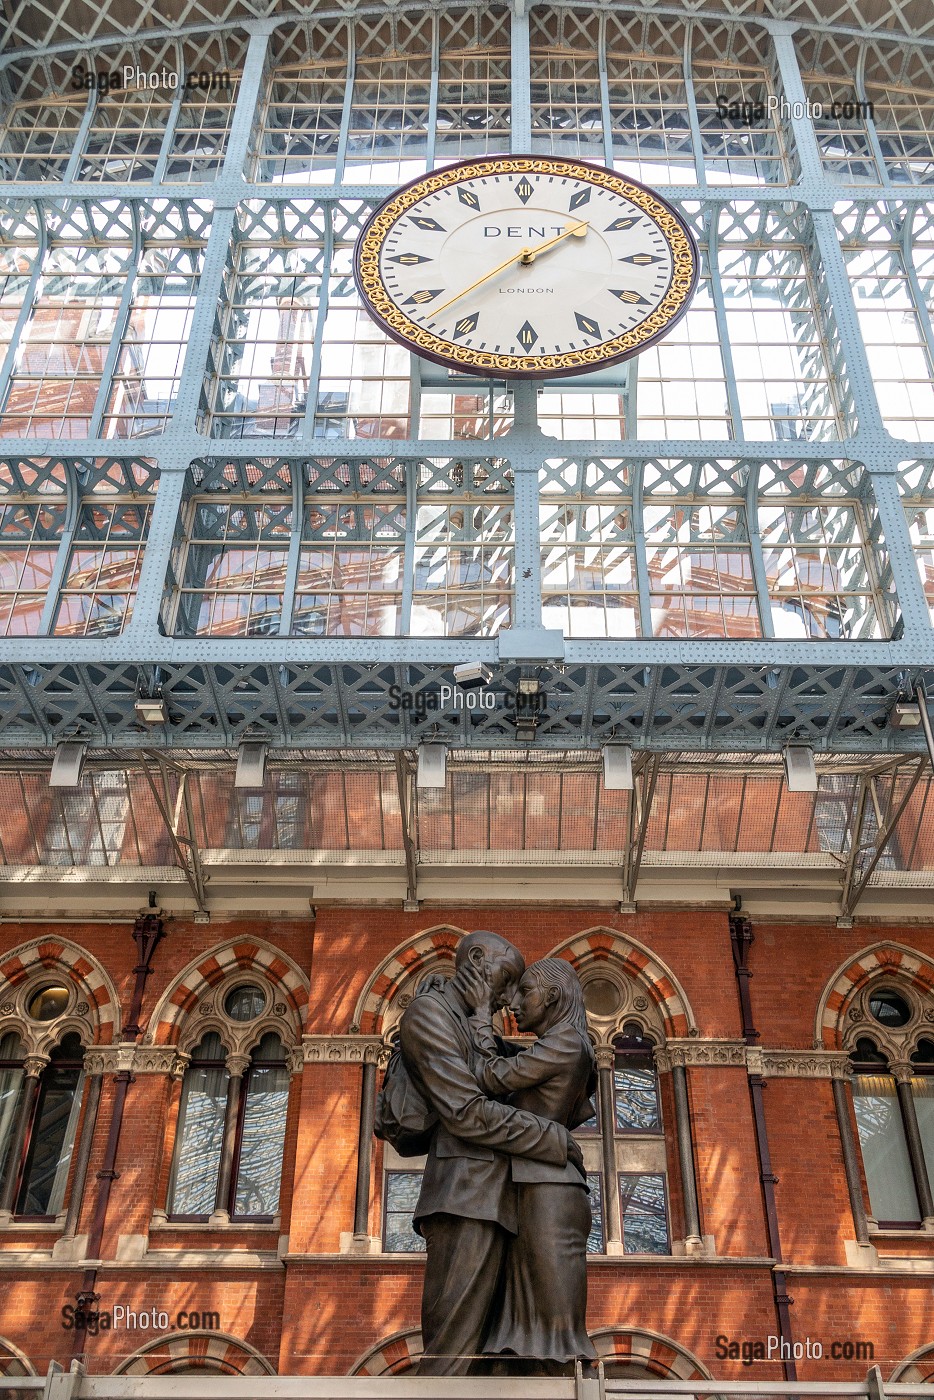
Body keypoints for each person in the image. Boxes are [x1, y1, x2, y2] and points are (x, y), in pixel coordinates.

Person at [397, 931, 585, 1376]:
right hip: (465, 1199)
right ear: (477, 959)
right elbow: (466, 1112)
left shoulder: (471, 1021)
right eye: (506, 983)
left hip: (506, 1200)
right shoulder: (430, 1015)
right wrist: (553, 1138)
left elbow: (502, 1070)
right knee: (453, 1357)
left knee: (502, 1362)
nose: (507, 1000)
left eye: (521, 989)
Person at [462, 955, 598, 1376]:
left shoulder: (567, 1043)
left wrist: (483, 1015)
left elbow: (487, 1076)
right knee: (522, 1332)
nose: (515, 1003)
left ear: (553, 995)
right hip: (533, 1185)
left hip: (548, 1189)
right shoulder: (559, 1044)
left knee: (554, 1331)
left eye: (526, 991)